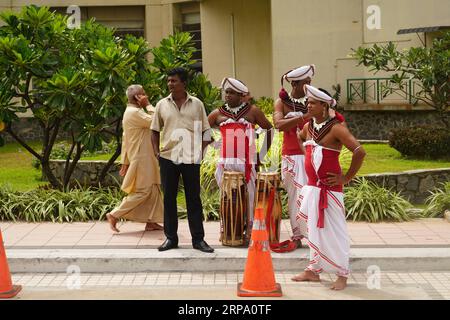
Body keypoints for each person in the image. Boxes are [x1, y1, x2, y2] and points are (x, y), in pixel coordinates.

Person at [292, 84, 366, 290]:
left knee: (336, 232)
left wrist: (346, 178)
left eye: (313, 103)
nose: (308, 105)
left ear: (324, 106)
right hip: (312, 188)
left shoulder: (336, 128)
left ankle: (342, 274)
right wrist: (308, 157)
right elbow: (299, 139)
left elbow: (359, 152)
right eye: (307, 102)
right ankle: (313, 270)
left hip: (330, 191)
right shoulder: (308, 127)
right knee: (314, 230)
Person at [151, 67, 214, 253]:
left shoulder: (197, 104)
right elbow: (154, 130)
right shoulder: (161, 104)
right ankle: (171, 239)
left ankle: (198, 240)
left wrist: (201, 151)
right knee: (169, 199)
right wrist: (156, 153)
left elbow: (206, 130)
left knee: (193, 199)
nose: (170, 84)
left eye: (174, 81)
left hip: (191, 158)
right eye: (168, 81)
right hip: (168, 157)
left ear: (184, 82)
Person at [208, 77, 273, 240]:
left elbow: (269, 130)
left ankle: (249, 230)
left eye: (231, 93)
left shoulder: (253, 111)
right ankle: (230, 229)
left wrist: (262, 154)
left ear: (241, 95)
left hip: (247, 162)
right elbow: (202, 129)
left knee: (249, 196)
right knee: (228, 197)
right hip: (226, 162)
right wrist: (215, 145)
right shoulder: (217, 113)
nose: (227, 95)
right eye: (226, 92)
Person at [106, 85, 164, 233]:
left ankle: (151, 221)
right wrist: (148, 105)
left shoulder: (131, 112)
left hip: (145, 157)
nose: (146, 95)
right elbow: (158, 121)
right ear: (138, 97)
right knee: (144, 191)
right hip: (142, 158)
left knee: (153, 189)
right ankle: (114, 214)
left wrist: (124, 162)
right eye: (144, 94)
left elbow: (125, 139)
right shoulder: (135, 113)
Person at [272, 65, 315, 249]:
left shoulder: (313, 101)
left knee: (310, 195)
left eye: (310, 82)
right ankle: (297, 235)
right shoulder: (281, 102)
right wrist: (303, 117)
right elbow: (278, 124)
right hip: (290, 155)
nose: (309, 86)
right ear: (295, 84)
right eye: (306, 83)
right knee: (293, 196)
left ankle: (313, 235)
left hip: (310, 153)